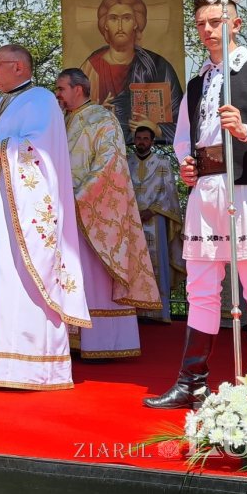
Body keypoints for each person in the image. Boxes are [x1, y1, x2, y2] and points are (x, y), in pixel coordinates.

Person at [144, 0, 247, 409]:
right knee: (200, 288)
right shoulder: (197, 82)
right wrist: (187, 164)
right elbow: (184, 137)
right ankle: (192, 382)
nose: (208, 30)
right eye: (201, 24)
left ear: (236, 23)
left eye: (215, 22)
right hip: (208, 191)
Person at [0, 45, 91, 389]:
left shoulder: (41, 100)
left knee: (11, 279)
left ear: (18, 67)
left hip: (13, 217)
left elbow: (40, 151)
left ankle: (24, 365)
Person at [55, 68, 160, 359]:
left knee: (94, 275)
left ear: (78, 89)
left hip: (92, 207)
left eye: (61, 88)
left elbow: (110, 161)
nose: (58, 95)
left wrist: (80, 196)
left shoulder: (102, 118)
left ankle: (104, 342)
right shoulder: (61, 121)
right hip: (66, 210)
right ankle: (72, 339)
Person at [79, 0, 183, 143]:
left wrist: (156, 128)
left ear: (136, 23)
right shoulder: (90, 68)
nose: (120, 26)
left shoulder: (157, 67)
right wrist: (99, 113)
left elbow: (181, 125)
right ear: (105, 25)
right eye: (113, 19)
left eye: (126, 18)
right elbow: (75, 122)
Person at [128, 122, 184, 323]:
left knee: (156, 262)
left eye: (145, 139)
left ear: (152, 141)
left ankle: (158, 312)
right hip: (131, 221)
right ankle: (134, 310)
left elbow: (169, 192)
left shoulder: (163, 163)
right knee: (132, 263)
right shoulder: (126, 163)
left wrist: (151, 210)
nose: (141, 142)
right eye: (138, 138)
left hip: (155, 219)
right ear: (134, 141)